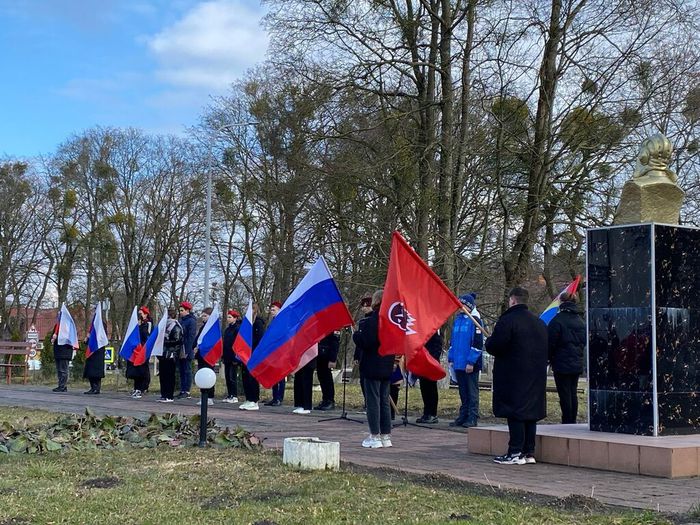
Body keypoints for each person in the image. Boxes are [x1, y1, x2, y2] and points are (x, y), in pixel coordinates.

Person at [485, 287, 548, 465]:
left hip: (513, 374)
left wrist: (489, 341)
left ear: (512, 300)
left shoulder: (508, 321)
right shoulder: (539, 323)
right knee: (530, 413)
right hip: (535, 374)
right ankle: (529, 452)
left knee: (515, 412)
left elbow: (496, 345)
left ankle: (514, 451)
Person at [353, 289, 394, 448]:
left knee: (373, 401)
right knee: (384, 400)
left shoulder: (371, 321)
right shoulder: (392, 321)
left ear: (375, 302)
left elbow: (367, 342)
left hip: (372, 365)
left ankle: (374, 435)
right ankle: (386, 435)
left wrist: (355, 335)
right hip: (387, 364)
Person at [548, 292, 586, 424]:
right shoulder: (581, 321)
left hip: (561, 362)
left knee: (564, 393)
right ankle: (573, 419)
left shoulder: (557, 321)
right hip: (577, 361)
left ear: (561, 303)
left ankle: (567, 419)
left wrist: (549, 358)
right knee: (573, 391)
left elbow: (550, 343)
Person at [447, 293, 484, 428]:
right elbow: (453, 342)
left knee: (471, 391)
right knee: (463, 391)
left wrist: (471, 362)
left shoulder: (475, 321)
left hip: (469, 364)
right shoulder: (458, 320)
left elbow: (478, 343)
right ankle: (463, 415)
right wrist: (451, 358)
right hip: (458, 363)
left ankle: (473, 416)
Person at [239, 303, 266, 411]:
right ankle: (248, 398)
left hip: (253, 353)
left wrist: (250, 346)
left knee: (252, 377)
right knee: (245, 377)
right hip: (245, 353)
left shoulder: (258, 322)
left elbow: (259, 338)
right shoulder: (246, 323)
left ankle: (254, 400)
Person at [416, 331, 443, 424]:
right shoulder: (422, 337)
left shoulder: (436, 337)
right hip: (423, 365)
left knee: (431, 390)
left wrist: (430, 360)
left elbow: (437, 351)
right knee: (424, 389)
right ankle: (426, 412)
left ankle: (433, 413)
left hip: (431, 366)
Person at [158, 308, 182, 403]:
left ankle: (169, 395)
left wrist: (164, 341)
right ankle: (163, 394)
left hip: (171, 354)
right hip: (163, 354)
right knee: (163, 375)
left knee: (169, 375)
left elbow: (177, 340)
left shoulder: (176, 327)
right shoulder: (163, 326)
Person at [127, 306, 152, 399]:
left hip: (143, 349)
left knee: (142, 369)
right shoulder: (137, 324)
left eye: (141, 313)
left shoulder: (148, 324)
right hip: (136, 350)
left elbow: (147, 336)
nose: (139, 315)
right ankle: (136, 387)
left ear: (145, 314)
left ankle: (142, 387)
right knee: (136, 369)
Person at [353, 296, 373, 409]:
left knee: (368, 381)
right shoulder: (363, 321)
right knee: (363, 381)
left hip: (370, 356)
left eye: (367, 306)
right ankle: (366, 402)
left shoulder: (372, 320)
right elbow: (360, 342)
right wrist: (357, 355)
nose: (364, 309)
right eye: (363, 306)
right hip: (362, 355)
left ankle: (370, 404)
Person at [265, 301, 286, 406]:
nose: (271, 311)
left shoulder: (282, 321)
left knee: (280, 376)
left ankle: (279, 398)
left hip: (280, 351)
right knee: (273, 375)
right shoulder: (272, 321)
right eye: (271, 310)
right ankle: (275, 397)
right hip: (272, 351)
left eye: (274, 310)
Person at [195, 307, 216, 405]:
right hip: (201, 355)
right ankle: (203, 394)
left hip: (209, 355)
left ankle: (210, 396)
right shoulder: (202, 327)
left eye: (205, 316)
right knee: (202, 376)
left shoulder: (213, 328)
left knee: (208, 375)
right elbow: (198, 339)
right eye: (202, 316)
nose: (203, 318)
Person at [314, 331, 340, 411]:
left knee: (327, 379)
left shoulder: (333, 326)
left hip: (327, 355)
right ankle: (325, 399)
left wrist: (332, 359)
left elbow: (335, 342)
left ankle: (330, 400)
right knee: (321, 377)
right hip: (320, 353)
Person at [177, 301, 197, 399]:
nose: (180, 312)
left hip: (187, 349)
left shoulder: (191, 321)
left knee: (187, 370)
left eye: (182, 310)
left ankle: (187, 390)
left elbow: (191, 337)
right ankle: (182, 389)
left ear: (187, 310)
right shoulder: (181, 320)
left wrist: (187, 350)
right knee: (181, 370)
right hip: (180, 348)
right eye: (180, 310)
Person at [222, 309, 242, 403]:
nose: (228, 319)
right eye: (228, 317)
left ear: (235, 318)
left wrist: (236, 357)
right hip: (227, 356)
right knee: (227, 376)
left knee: (232, 376)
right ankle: (230, 394)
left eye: (230, 317)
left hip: (233, 356)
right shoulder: (227, 329)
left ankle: (234, 395)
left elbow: (237, 344)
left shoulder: (237, 328)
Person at [83, 322, 107, 395]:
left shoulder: (102, 332)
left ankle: (97, 388)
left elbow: (102, 341)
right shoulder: (92, 329)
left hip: (98, 354)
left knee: (96, 373)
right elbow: (89, 343)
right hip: (91, 353)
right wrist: (87, 338)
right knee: (90, 371)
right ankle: (93, 387)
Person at [50, 321, 73, 393]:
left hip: (64, 352)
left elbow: (67, 339)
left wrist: (57, 337)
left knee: (63, 370)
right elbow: (54, 335)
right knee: (59, 370)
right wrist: (52, 338)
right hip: (58, 351)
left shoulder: (68, 326)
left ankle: (63, 386)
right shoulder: (57, 325)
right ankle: (60, 385)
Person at [292, 349, 316, 415]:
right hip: (300, 357)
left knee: (306, 382)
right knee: (298, 381)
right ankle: (299, 404)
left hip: (309, 358)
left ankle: (306, 406)